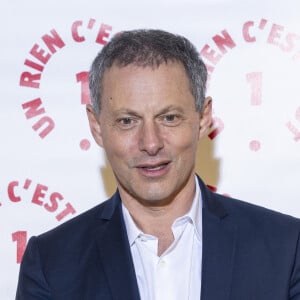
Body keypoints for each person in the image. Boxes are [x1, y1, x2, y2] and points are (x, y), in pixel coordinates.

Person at [16, 29, 300, 300]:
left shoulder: (286, 248)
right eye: (127, 121)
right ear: (97, 127)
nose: (151, 143)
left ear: (203, 119)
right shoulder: (51, 263)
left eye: (169, 118)